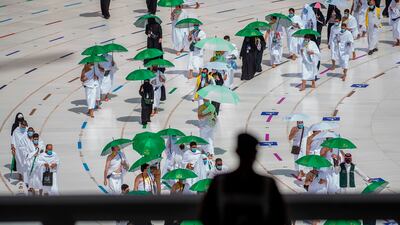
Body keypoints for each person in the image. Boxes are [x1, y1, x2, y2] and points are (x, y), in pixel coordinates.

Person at [200, 133, 288, 225]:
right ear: (255, 154)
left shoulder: (220, 182)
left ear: (236, 151)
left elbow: (205, 215)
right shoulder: (267, 184)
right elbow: (280, 217)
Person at [11, 120, 31, 184]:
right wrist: (13, 147)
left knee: (26, 162)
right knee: (19, 163)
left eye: (25, 126)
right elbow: (13, 139)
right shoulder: (16, 131)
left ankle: (26, 175)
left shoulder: (28, 130)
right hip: (18, 150)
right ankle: (20, 175)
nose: (23, 128)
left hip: (25, 150)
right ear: (20, 124)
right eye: (22, 126)